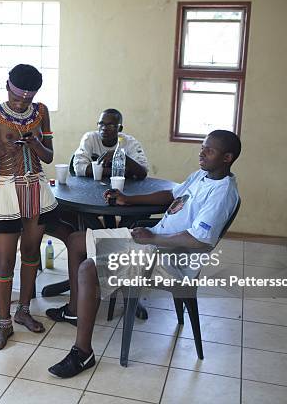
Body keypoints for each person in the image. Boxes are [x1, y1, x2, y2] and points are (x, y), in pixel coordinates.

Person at [46, 130, 241, 378]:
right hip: (151, 241)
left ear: (227, 157)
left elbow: (199, 240)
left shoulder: (222, 193)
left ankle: (83, 353)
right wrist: (128, 200)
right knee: (76, 241)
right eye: (202, 147)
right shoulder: (202, 176)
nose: (201, 153)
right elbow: (172, 194)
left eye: (209, 150)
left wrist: (154, 238)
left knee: (88, 268)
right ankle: (75, 309)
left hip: (169, 258)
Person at [0, 64, 58, 350]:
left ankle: (23, 311)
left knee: (31, 252)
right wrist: (2, 151)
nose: (22, 102)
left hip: (36, 187)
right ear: (7, 86)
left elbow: (48, 156)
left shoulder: (42, 112)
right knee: (5, 261)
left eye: (27, 98)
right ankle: (4, 323)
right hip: (7, 191)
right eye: (17, 96)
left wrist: (34, 143)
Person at [72, 109, 149, 179]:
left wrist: (119, 156)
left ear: (120, 129)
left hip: (122, 189)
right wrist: (121, 172)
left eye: (110, 125)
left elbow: (143, 173)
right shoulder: (90, 138)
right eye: (101, 124)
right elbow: (79, 168)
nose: (104, 128)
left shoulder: (130, 142)